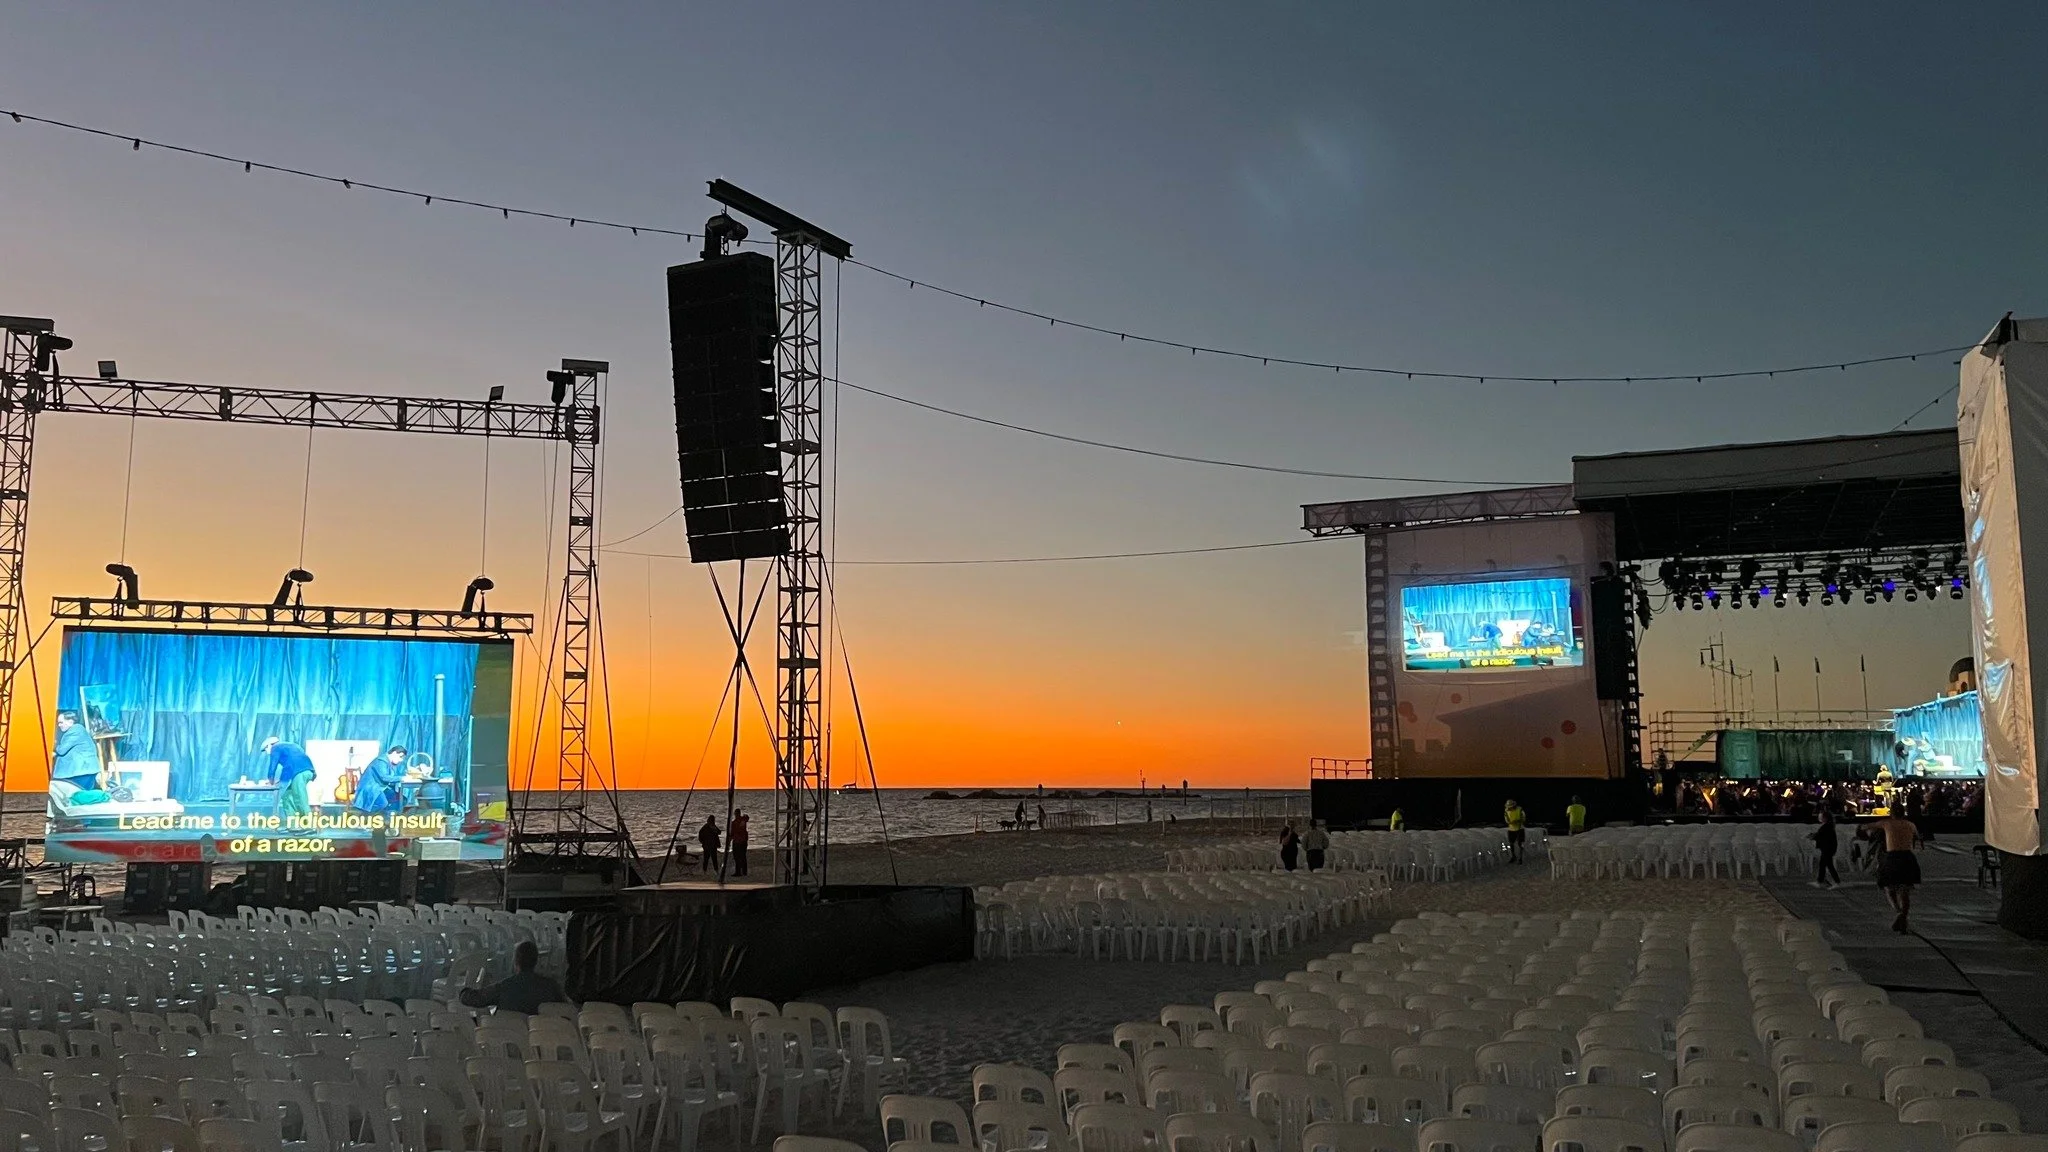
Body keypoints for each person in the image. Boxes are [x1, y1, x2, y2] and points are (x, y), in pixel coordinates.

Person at [458, 940, 565, 1015]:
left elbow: (475, 999)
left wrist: (464, 991)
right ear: (536, 961)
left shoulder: (504, 987)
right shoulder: (551, 987)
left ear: (516, 962)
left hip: (508, 1038)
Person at [1873, 812, 1922, 933]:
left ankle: (1898, 912)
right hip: (1907, 858)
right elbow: (1917, 837)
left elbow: (1866, 827)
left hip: (1892, 858)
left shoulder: (1887, 824)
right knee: (1905, 891)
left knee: (1889, 888)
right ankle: (1903, 916)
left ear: (1892, 814)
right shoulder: (1910, 824)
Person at [49, 711, 103, 803]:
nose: (59, 725)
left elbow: (62, 750)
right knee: (82, 797)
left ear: (70, 722)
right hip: (84, 770)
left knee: (79, 797)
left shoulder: (75, 731)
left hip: (81, 771)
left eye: (61, 722)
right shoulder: (77, 730)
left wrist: (53, 744)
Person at [259, 737, 316, 818]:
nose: (267, 753)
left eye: (266, 750)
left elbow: (273, 766)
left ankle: (308, 822)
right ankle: (292, 822)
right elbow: (291, 763)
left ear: (268, 746)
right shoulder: (291, 745)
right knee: (287, 795)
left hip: (299, 772)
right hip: (306, 771)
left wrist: (271, 780)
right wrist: (279, 781)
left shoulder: (275, 748)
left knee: (299, 797)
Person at [350, 745, 406, 815]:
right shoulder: (381, 761)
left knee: (401, 799)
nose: (401, 760)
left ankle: (387, 816)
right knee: (383, 803)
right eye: (400, 757)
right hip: (371, 788)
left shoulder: (387, 761)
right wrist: (402, 778)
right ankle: (365, 816)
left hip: (379, 787)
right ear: (394, 753)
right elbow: (384, 777)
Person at [1811, 810, 1841, 889]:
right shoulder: (1828, 826)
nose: (1819, 817)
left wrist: (1814, 837)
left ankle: (1837, 881)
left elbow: (1822, 836)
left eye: (1820, 816)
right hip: (1827, 848)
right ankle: (1820, 881)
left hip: (1827, 848)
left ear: (1825, 818)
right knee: (1823, 865)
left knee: (1829, 865)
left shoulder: (1826, 827)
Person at [1504, 799, 1527, 863]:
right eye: (1509, 807)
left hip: (1520, 828)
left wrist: (1518, 821)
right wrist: (1509, 822)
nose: (1510, 808)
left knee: (1520, 843)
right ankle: (1513, 856)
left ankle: (1520, 858)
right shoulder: (1506, 810)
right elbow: (1506, 819)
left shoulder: (1519, 809)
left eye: (1511, 806)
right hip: (1511, 829)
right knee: (1511, 843)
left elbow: (1524, 818)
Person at [729, 810, 750, 877]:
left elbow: (732, 833)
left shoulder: (739, 821)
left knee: (739, 857)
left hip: (739, 841)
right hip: (739, 841)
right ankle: (742, 871)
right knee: (740, 857)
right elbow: (732, 833)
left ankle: (741, 871)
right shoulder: (739, 821)